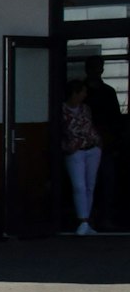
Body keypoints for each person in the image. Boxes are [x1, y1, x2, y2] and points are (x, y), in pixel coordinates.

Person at [80, 57, 123, 229]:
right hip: (89, 143)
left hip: (104, 143)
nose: (97, 71)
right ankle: (90, 217)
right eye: (94, 68)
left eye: (98, 68)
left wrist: (115, 143)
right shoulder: (85, 92)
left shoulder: (106, 92)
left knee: (104, 182)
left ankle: (100, 217)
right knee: (91, 182)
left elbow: (116, 120)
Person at [63, 77, 103, 235]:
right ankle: (83, 220)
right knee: (79, 185)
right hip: (75, 150)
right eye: (83, 92)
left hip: (92, 148)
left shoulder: (86, 108)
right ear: (75, 93)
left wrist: (98, 142)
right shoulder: (61, 110)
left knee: (89, 185)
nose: (85, 95)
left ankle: (86, 221)